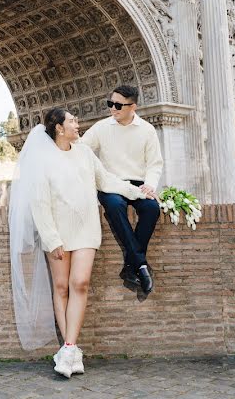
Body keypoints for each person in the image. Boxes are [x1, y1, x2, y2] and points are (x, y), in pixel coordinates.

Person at [9, 108, 147, 378]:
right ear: (59, 128)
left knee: (80, 283)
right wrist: (50, 237)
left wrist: (138, 192)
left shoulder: (84, 152)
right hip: (57, 231)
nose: (77, 123)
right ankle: (70, 349)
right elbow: (39, 202)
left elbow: (106, 181)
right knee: (61, 287)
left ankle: (69, 348)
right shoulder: (43, 160)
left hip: (86, 228)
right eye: (72, 120)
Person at [80, 85, 163, 295]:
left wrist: (150, 184)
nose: (113, 109)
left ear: (132, 106)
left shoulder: (147, 130)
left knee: (152, 208)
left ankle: (131, 266)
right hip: (110, 183)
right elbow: (81, 150)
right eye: (110, 104)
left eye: (118, 105)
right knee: (115, 206)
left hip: (138, 183)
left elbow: (155, 163)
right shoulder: (101, 128)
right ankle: (140, 264)